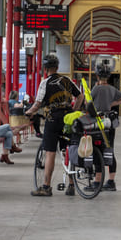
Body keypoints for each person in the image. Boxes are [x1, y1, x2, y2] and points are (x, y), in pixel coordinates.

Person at [26, 53, 83, 196]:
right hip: (68, 119)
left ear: (45, 69)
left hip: (52, 119)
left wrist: (29, 112)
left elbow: (37, 104)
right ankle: (71, 185)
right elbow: (80, 96)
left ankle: (46, 187)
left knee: (50, 152)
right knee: (68, 150)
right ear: (57, 67)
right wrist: (73, 110)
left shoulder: (45, 83)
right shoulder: (67, 80)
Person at [89, 71, 121, 191]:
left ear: (97, 76)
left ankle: (97, 181)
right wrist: (112, 104)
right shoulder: (112, 89)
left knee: (97, 150)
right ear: (108, 77)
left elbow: (87, 103)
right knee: (109, 149)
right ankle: (111, 181)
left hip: (98, 122)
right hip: (110, 122)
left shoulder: (96, 89)